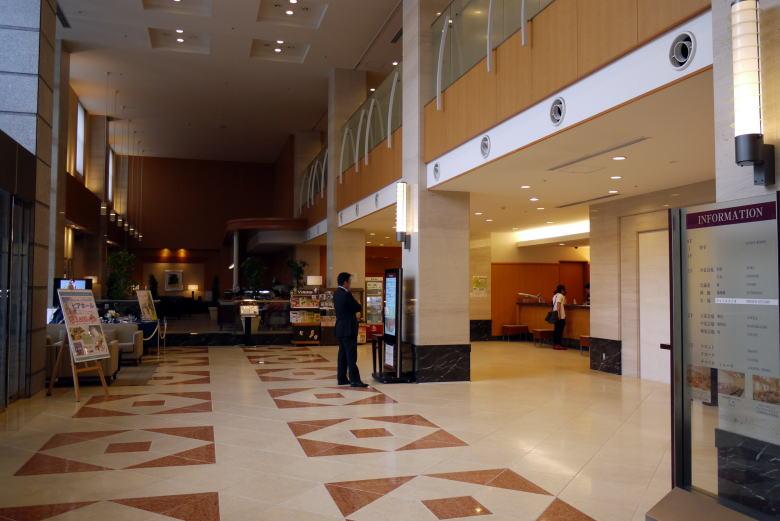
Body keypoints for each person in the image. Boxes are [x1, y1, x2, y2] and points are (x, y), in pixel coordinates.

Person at [334, 272, 367, 387]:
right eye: (349, 281)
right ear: (345, 282)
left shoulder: (336, 293)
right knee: (351, 355)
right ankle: (355, 380)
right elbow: (357, 307)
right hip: (349, 329)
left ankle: (342, 378)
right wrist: (357, 304)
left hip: (340, 328)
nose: (350, 284)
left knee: (342, 354)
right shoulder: (346, 294)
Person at [552, 284, 567, 350]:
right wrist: (559, 314)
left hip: (555, 314)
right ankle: (558, 344)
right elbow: (558, 304)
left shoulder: (554, 296)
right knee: (560, 330)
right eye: (564, 290)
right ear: (562, 290)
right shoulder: (560, 295)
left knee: (556, 330)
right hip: (560, 315)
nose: (565, 291)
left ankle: (555, 344)